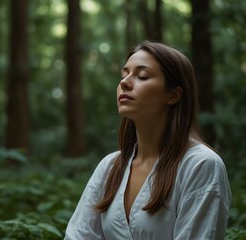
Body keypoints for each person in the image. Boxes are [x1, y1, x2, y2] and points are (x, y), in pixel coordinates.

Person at [64, 40, 232, 240]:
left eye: (142, 76)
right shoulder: (110, 167)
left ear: (173, 95)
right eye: (124, 74)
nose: (124, 82)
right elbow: (79, 236)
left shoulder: (200, 165)